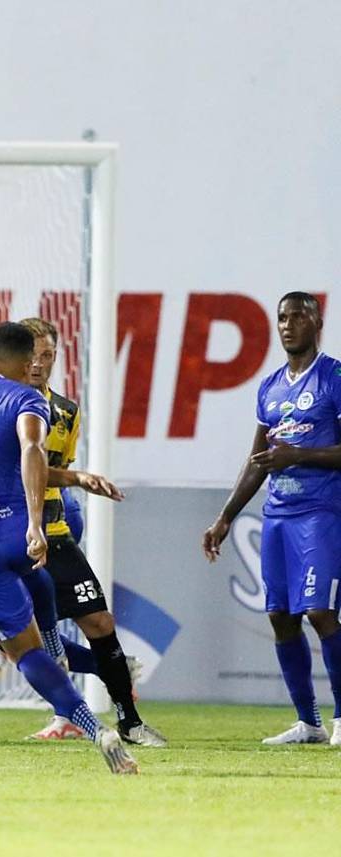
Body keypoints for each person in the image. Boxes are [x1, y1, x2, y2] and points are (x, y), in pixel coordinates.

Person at [0, 318, 166, 748]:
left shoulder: (60, 410)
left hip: (35, 531)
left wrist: (71, 483)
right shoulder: (21, 401)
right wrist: (72, 483)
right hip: (25, 530)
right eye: (34, 355)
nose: (39, 363)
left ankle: (128, 721)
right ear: (23, 361)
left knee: (94, 621)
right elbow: (26, 455)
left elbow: (30, 461)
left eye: (48, 355)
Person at [204, 292, 341, 746]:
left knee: (320, 612)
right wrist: (225, 516)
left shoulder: (334, 377)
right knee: (281, 617)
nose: (288, 324)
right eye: (282, 317)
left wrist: (299, 454)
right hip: (278, 515)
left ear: (317, 321)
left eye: (298, 316)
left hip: (321, 514)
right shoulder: (270, 387)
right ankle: (310, 724)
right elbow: (259, 459)